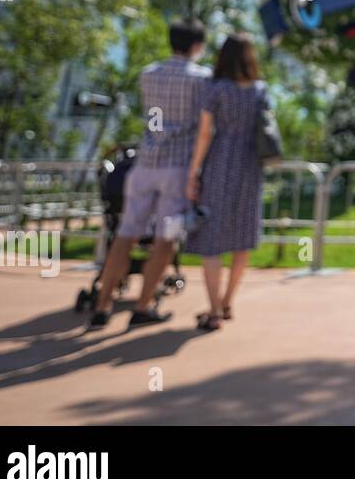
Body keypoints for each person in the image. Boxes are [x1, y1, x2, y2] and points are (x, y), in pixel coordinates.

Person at [89, 19, 210, 329]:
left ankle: (103, 304)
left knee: (125, 234)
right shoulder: (201, 79)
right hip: (177, 167)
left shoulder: (148, 74)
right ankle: (143, 305)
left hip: (145, 164)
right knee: (165, 239)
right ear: (197, 46)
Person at [184, 32, 270, 332]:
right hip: (251, 165)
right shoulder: (260, 89)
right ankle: (228, 301)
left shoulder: (216, 89)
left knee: (212, 237)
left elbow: (205, 133)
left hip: (220, 162)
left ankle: (214, 309)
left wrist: (193, 172)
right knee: (241, 235)